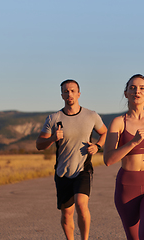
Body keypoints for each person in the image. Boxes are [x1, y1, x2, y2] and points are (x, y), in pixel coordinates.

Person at [36, 79, 107, 240]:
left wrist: (98, 146)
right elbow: (39, 144)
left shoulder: (91, 115)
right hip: (62, 172)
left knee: (82, 205)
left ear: (79, 94)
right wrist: (53, 138)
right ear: (62, 95)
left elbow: (104, 132)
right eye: (66, 91)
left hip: (83, 169)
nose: (70, 94)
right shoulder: (53, 118)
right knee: (67, 213)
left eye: (73, 91)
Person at [104, 74, 144, 240]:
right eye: (132, 87)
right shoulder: (118, 122)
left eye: (141, 88)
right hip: (127, 186)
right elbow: (108, 159)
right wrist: (132, 143)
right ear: (126, 93)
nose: (137, 91)